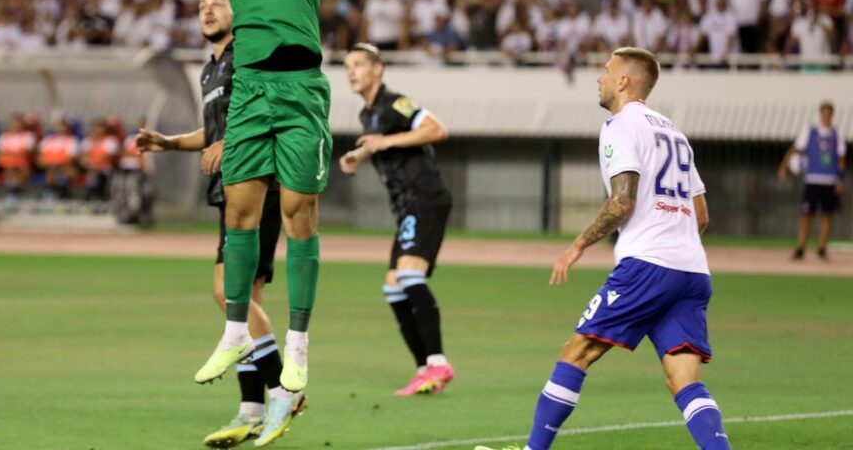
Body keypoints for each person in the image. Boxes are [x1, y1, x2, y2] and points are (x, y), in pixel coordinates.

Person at [151, 0, 328, 444]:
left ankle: (300, 358)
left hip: (301, 85)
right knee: (241, 213)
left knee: (300, 213)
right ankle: (234, 331)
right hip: (252, 85)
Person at [476, 48, 730, 450]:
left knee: (576, 352)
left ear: (624, 81)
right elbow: (701, 215)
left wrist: (577, 245)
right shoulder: (675, 133)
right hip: (693, 272)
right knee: (683, 379)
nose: (600, 77)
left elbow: (621, 201)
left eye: (607, 71)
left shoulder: (620, 125)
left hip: (648, 266)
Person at [137, 0, 298, 446]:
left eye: (217, 3)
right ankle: (251, 409)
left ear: (237, 11)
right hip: (231, 189)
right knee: (248, 303)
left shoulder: (248, 54)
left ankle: (285, 389)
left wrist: (231, 142)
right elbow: (213, 131)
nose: (207, 11)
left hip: (257, 182)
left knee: (225, 292)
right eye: (201, 6)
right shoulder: (211, 69)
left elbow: (269, 111)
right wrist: (171, 142)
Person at [338, 43, 455, 397]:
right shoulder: (367, 115)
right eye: (347, 67)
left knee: (408, 275)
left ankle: (438, 362)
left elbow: (436, 129)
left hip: (426, 197)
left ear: (379, 69)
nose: (351, 72)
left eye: (358, 64)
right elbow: (378, 143)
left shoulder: (395, 102)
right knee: (393, 286)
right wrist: (358, 156)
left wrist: (385, 142)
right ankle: (425, 369)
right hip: (407, 206)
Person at [778, 101, 845, 261]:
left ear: (832, 114)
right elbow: (795, 149)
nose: (827, 115)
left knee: (827, 215)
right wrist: (784, 166)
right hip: (812, 179)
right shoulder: (810, 132)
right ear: (821, 113)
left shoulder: (836, 135)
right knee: (807, 214)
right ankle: (800, 248)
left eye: (829, 112)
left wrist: (839, 179)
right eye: (824, 112)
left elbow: (841, 158)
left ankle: (822, 249)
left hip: (829, 180)